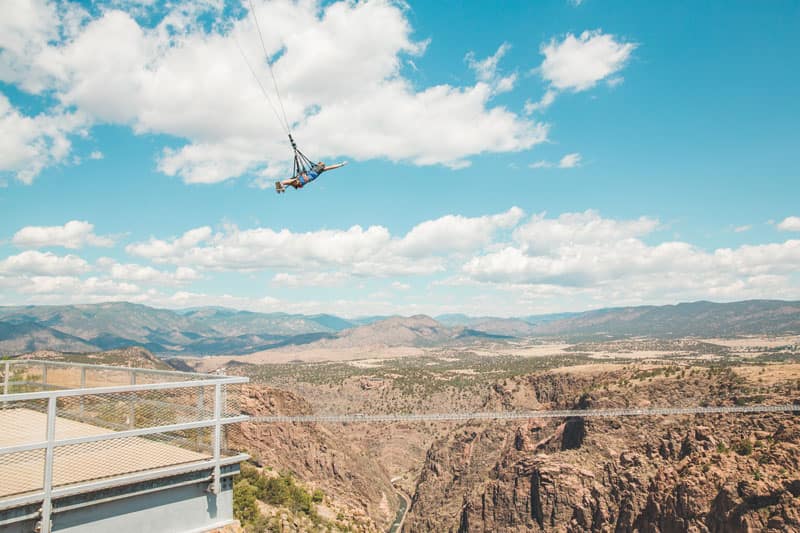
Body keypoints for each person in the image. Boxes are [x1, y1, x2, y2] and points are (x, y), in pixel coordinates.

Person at [275, 161, 346, 193]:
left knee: (294, 181)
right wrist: (302, 174)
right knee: (292, 181)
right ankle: (282, 187)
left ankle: (282, 185)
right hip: (302, 179)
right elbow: (304, 173)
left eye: (323, 165)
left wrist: (341, 164)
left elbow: (331, 167)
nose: (322, 166)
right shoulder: (313, 168)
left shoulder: (321, 170)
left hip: (302, 181)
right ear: (318, 165)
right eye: (321, 164)